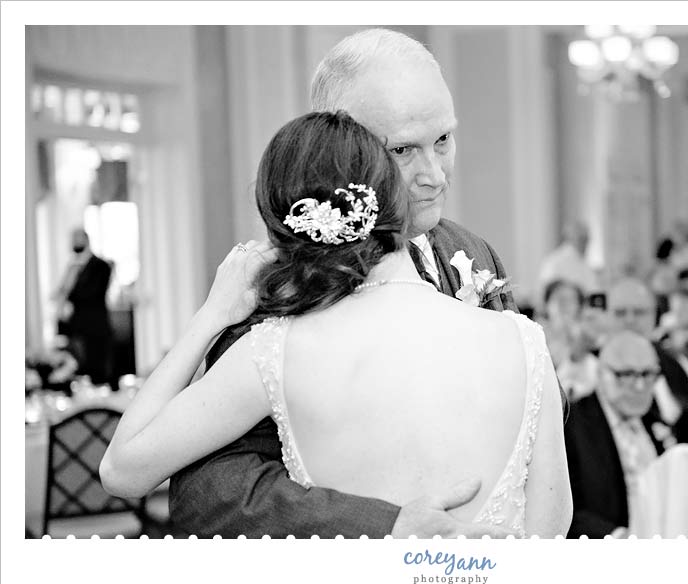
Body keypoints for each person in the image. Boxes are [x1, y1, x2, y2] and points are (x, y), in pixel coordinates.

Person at [101, 111, 572, 539]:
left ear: (284, 231)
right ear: (392, 197)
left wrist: (211, 316)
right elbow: (550, 525)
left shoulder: (274, 353)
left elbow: (123, 470)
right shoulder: (523, 341)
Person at [166, 29, 530, 539]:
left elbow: (530, 419)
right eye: (403, 150)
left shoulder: (470, 254)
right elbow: (211, 494)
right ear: (344, 149)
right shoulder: (278, 283)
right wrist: (383, 526)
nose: (436, 176)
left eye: (443, 140)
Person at [565, 331, 672, 539]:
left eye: (648, 374)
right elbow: (565, 509)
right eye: (626, 375)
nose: (640, 386)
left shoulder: (654, 418)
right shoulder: (572, 424)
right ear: (600, 373)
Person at [605, 277, 688, 444]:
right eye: (620, 313)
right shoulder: (590, 369)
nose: (630, 320)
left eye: (639, 312)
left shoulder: (677, 367)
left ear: (654, 316)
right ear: (606, 316)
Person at [53, 228, 113, 384]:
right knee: (78, 373)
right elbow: (61, 292)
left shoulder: (101, 266)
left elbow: (91, 294)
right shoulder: (71, 267)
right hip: (76, 328)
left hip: (95, 328)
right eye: (72, 240)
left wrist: (71, 283)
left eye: (77, 239)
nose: (74, 243)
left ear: (86, 240)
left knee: (97, 373)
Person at [536, 221, 600, 309]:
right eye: (581, 238)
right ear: (569, 238)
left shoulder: (585, 265)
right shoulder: (554, 262)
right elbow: (547, 296)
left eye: (587, 239)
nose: (585, 243)